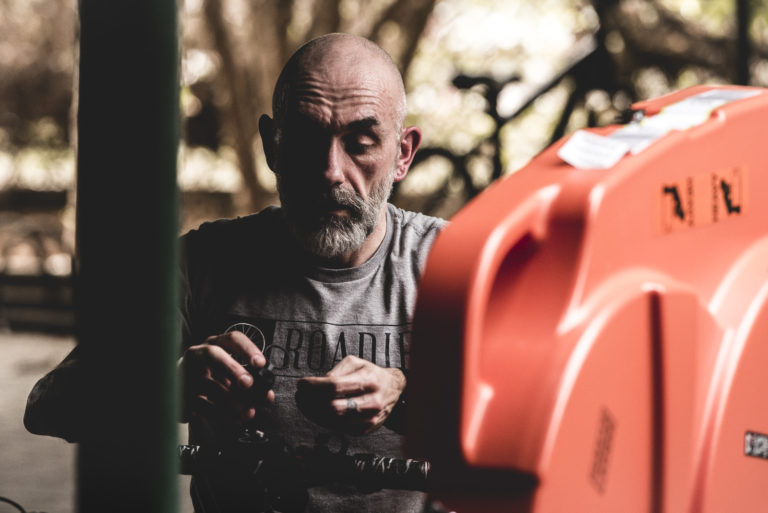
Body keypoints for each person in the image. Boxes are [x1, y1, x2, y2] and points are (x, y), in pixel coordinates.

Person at [25, 32, 446, 512]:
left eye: (361, 143)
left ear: (403, 154)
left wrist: (406, 394)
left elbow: (522, 421)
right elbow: (48, 405)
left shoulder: (455, 262)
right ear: (271, 145)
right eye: (305, 139)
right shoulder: (202, 263)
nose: (331, 170)